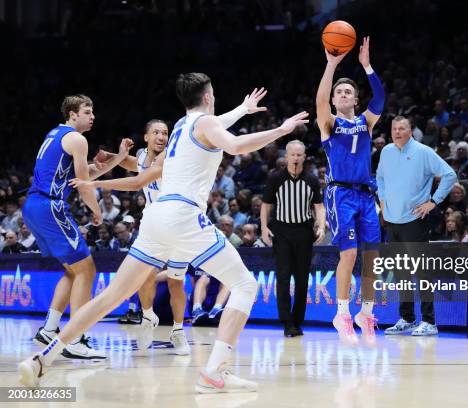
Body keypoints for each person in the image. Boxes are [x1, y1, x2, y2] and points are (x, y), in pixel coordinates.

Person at [19, 74, 309, 393]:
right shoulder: (205, 124)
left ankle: (44, 357)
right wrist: (281, 129)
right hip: (184, 215)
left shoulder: (184, 125)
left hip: (156, 219)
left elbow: (213, 126)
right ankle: (215, 372)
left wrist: (242, 109)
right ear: (209, 97)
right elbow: (236, 145)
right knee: (245, 284)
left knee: (111, 295)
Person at [23, 94, 131, 360]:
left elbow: (82, 176)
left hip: (34, 206)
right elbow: (84, 186)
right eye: (87, 111)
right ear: (72, 114)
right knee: (87, 269)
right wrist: (97, 211)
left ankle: (50, 329)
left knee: (73, 270)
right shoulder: (77, 139)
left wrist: (119, 159)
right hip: (50, 206)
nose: (92, 115)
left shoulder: (57, 135)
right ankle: (75, 339)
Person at [315, 37, 383, 346]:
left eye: (348, 91)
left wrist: (367, 66)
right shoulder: (329, 123)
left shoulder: (366, 122)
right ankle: (342, 313)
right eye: (339, 92)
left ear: (355, 99)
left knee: (372, 258)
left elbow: (380, 99)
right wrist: (331, 65)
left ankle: (365, 313)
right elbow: (319, 102)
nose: (343, 94)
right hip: (340, 193)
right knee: (350, 253)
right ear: (334, 99)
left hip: (366, 195)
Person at [379, 116, 456, 336]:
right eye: (394, 128)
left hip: (415, 221)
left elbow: (450, 175)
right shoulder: (386, 152)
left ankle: (430, 322)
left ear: (410, 131)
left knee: (422, 273)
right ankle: (407, 318)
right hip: (392, 222)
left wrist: (433, 202)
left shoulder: (423, 152)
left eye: (402, 128)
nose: (397, 132)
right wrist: (383, 204)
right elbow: (380, 178)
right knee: (401, 273)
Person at [260, 140, 326, 337]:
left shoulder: (312, 180)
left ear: (304, 157)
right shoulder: (275, 178)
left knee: (302, 278)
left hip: (304, 231)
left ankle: (298, 321)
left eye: (300, 155)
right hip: (282, 231)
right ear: (286, 156)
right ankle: (286, 322)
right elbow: (266, 204)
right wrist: (264, 227)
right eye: (293, 154)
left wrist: (321, 226)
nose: (296, 158)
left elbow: (319, 206)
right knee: (283, 277)